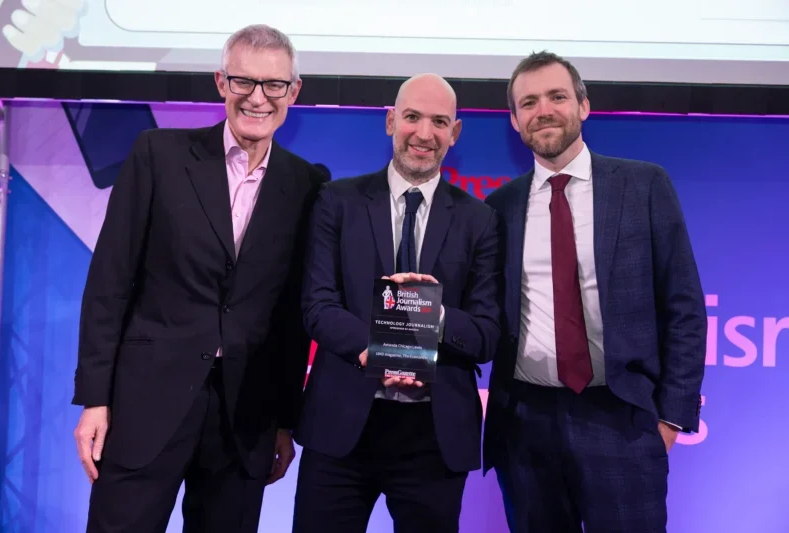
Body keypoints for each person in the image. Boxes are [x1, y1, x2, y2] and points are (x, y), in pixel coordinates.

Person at [71, 24, 327, 533]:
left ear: (293, 92)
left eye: (274, 85)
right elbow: (109, 283)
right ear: (220, 83)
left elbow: (290, 318)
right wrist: (94, 399)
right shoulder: (157, 156)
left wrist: (283, 420)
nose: (258, 98)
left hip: (245, 420)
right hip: (144, 409)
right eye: (243, 82)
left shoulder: (307, 184)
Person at [483, 51, 707, 533]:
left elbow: (684, 307)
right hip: (525, 423)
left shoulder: (643, 185)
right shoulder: (499, 206)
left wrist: (668, 419)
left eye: (557, 96)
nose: (543, 110)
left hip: (621, 419)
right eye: (529, 102)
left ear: (584, 105)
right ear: (515, 119)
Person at [293, 73, 501, 533]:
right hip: (342, 427)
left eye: (439, 122)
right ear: (390, 121)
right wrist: (373, 347)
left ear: (455, 132)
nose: (424, 134)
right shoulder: (337, 202)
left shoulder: (479, 220)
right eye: (412, 117)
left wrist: (433, 314)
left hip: (434, 437)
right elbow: (317, 305)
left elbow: (487, 333)